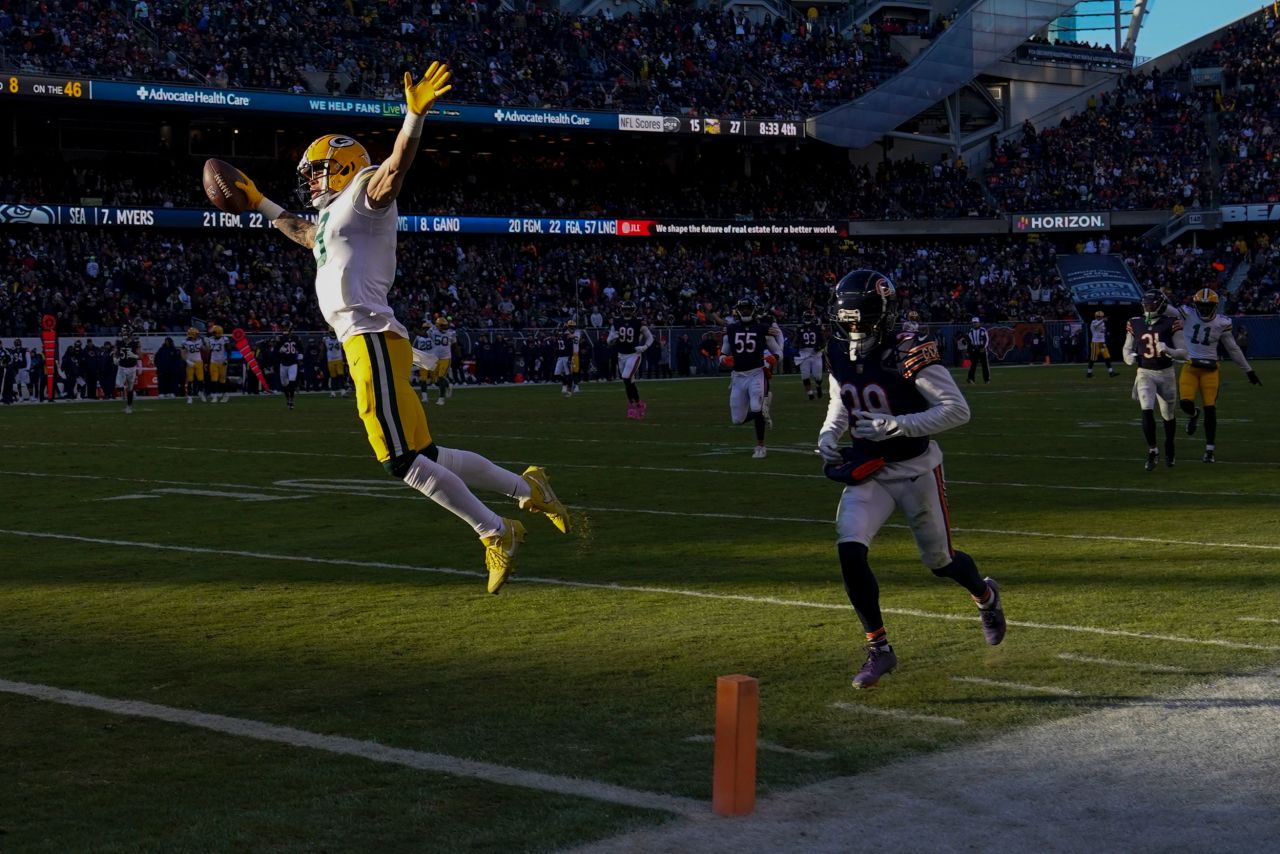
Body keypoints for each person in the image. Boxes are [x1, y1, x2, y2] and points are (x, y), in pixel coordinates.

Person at [233, 61, 567, 591]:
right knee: (430, 455)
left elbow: (395, 168)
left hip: (370, 338)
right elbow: (304, 234)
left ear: (342, 166)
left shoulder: (365, 189)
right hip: (372, 339)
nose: (310, 180)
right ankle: (528, 489)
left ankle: (496, 530)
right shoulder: (334, 215)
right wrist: (259, 203)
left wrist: (413, 118)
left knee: (399, 460)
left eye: (317, 169)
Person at [818, 270, 1005, 689]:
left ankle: (986, 596)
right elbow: (841, 399)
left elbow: (957, 410)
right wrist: (830, 432)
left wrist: (897, 425)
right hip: (869, 468)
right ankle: (879, 649)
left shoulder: (907, 347)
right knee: (850, 550)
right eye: (846, 319)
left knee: (940, 562)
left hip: (916, 468)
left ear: (882, 314)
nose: (852, 328)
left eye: (861, 319)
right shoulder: (837, 347)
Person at [1164, 287, 1261, 463]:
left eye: (1208, 305)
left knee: (1210, 408)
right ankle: (1194, 415)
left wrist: (1249, 370)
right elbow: (1166, 309)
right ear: (1195, 304)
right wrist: (1156, 299)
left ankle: (1209, 450)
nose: (1205, 309)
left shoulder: (1222, 323)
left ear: (1215, 306)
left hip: (1211, 369)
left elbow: (1233, 348)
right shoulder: (1186, 313)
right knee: (1185, 404)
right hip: (1190, 366)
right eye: (1202, 305)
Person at [1123, 290, 1187, 471]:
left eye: (1152, 304)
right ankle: (1153, 450)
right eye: (1146, 304)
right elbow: (1126, 349)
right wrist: (1129, 358)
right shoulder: (1135, 322)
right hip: (1145, 372)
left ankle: (1169, 446)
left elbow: (1184, 353)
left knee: (1168, 415)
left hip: (1166, 373)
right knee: (1146, 409)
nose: (1148, 307)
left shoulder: (1171, 323)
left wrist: (1168, 350)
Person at [721, 297, 781, 459]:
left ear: (754, 310)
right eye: (743, 308)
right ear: (738, 311)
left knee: (755, 406)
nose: (745, 311)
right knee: (737, 420)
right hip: (738, 377)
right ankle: (763, 412)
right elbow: (723, 353)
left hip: (756, 373)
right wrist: (724, 359)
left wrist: (775, 357)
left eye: (748, 308)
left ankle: (760, 446)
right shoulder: (731, 329)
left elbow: (778, 351)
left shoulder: (762, 329)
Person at [608, 300, 653, 418]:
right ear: (622, 310)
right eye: (625, 309)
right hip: (621, 355)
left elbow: (650, 337)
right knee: (628, 382)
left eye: (629, 309)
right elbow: (609, 340)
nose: (627, 312)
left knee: (626, 377)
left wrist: (645, 346)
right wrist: (612, 338)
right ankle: (637, 404)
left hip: (634, 354)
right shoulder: (616, 322)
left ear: (633, 311)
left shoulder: (639, 322)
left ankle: (633, 405)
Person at [796, 309, 826, 401]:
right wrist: (797, 344)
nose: (807, 319)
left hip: (815, 354)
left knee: (818, 376)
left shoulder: (817, 328)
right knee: (805, 375)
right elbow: (794, 342)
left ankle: (818, 386)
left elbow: (824, 342)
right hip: (804, 353)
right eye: (806, 317)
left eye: (809, 317)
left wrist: (819, 347)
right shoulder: (799, 329)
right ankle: (810, 394)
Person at [429, 316, 457, 405]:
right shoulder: (432, 331)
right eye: (442, 325)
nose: (445, 327)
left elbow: (455, 344)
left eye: (445, 325)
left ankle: (441, 398)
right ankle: (448, 385)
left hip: (446, 358)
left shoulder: (451, 333)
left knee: (441, 377)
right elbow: (423, 334)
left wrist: (458, 355)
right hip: (435, 358)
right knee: (436, 379)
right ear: (438, 325)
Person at [115, 326, 141, 414]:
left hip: (132, 367)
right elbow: (116, 353)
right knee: (118, 384)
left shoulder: (135, 343)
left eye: (125, 332)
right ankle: (124, 392)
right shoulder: (119, 342)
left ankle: (129, 406)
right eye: (123, 332)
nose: (124, 334)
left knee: (130, 388)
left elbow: (140, 356)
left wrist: (135, 356)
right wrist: (115, 359)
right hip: (122, 367)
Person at [276, 325, 302, 410]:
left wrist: (300, 359)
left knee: (292, 383)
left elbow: (301, 349)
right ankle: (287, 398)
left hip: (293, 363)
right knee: (284, 384)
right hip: (283, 364)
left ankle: (291, 400)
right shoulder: (281, 339)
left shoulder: (296, 338)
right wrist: (279, 350)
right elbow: (276, 353)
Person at [1086, 310, 1117, 378]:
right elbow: (1096, 325)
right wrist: (1103, 320)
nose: (1100, 318)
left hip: (1102, 343)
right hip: (1095, 343)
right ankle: (1089, 373)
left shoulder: (1102, 323)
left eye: (1101, 317)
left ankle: (1111, 372)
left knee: (1107, 357)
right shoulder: (1094, 322)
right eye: (1099, 317)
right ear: (1096, 316)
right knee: (1093, 358)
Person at [555, 319, 581, 397]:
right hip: (567, 354)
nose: (572, 328)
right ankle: (565, 385)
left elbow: (573, 337)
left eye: (573, 327)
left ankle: (576, 385)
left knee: (575, 371)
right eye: (570, 326)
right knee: (566, 371)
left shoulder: (577, 333)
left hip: (575, 353)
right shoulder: (566, 333)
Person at [182, 327, 207, 403]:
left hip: (199, 362)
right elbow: (182, 353)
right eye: (196, 334)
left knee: (200, 379)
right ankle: (189, 397)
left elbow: (205, 350)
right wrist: (187, 361)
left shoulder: (199, 341)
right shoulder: (185, 342)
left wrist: (206, 344)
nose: (197, 335)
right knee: (190, 380)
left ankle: (201, 393)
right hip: (190, 362)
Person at [207, 324, 231, 402]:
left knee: (222, 380)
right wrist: (207, 362)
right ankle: (215, 396)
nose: (213, 334)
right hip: (213, 361)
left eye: (214, 332)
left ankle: (225, 395)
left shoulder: (225, 339)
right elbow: (210, 351)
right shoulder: (210, 339)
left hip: (222, 361)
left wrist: (226, 360)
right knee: (213, 379)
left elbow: (228, 351)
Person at [965, 317, 990, 384]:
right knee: (973, 365)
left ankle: (986, 379)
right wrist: (968, 351)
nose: (975, 324)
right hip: (974, 349)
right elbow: (969, 342)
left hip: (982, 348)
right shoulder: (970, 332)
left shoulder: (983, 330)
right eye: (973, 322)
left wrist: (984, 347)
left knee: (985, 365)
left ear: (979, 323)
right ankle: (970, 379)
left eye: (976, 322)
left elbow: (987, 340)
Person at [323, 330, 348, 397]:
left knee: (340, 376)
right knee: (334, 377)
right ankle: (334, 392)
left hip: (337, 359)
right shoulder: (327, 339)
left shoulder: (326, 339)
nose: (333, 334)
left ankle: (341, 392)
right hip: (332, 360)